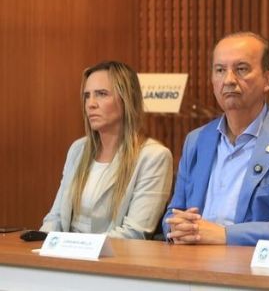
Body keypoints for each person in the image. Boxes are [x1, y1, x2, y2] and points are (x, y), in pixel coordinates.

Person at [164, 32, 269, 246]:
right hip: (192, 264)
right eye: (220, 70)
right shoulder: (196, 141)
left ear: (267, 80)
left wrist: (225, 235)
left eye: (241, 69)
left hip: (254, 272)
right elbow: (173, 214)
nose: (229, 80)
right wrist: (177, 225)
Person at [41, 61, 173, 239]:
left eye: (102, 94)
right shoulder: (78, 149)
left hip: (111, 261)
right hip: (65, 256)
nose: (91, 104)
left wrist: (77, 250)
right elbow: (55, 217)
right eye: (87, 96)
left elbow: (134, 233)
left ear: (127, 99)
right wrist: (42, 245)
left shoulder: (153, 157)